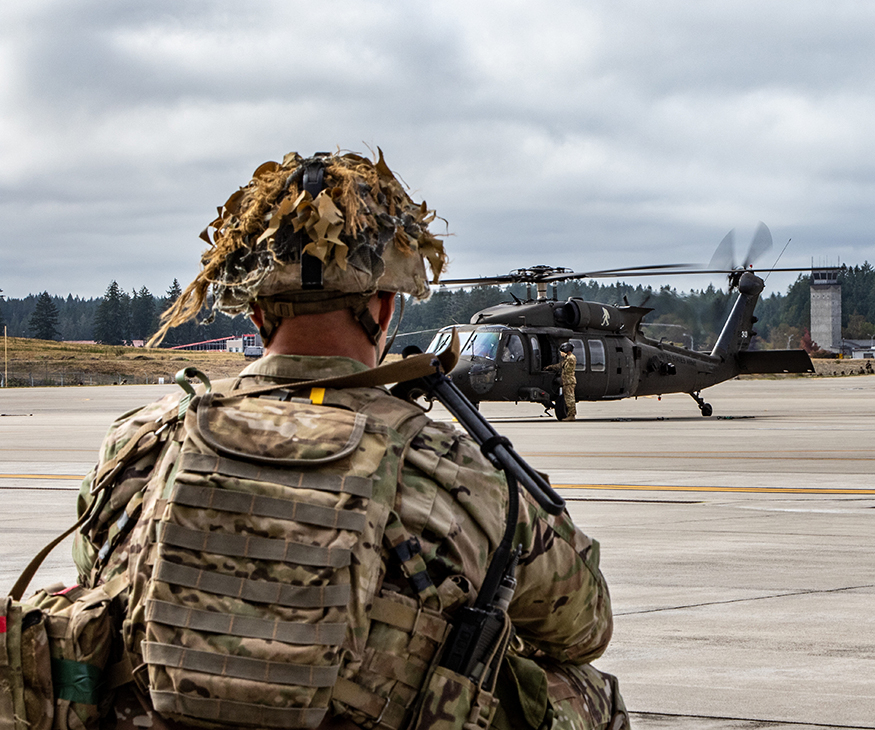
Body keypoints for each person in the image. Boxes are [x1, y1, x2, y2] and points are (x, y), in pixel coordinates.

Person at [66, 151, 627, 729]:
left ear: (256, 310)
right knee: (584, 692)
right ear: (384, 308)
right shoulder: (461, 476)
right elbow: (586, 626)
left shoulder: (139, 442)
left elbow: (92, 573)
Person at [544, 343, 577, 421]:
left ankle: (571, 415)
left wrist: (564, 356)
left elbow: (567, 367)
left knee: (570, 399)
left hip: (569, 381)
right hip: (566, 381)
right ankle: (570, 415)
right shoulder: (567, 359)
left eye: (562, 351)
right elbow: (559, 365)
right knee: (567, 398)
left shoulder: (571, 358)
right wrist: (550, 367)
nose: (561, 353)